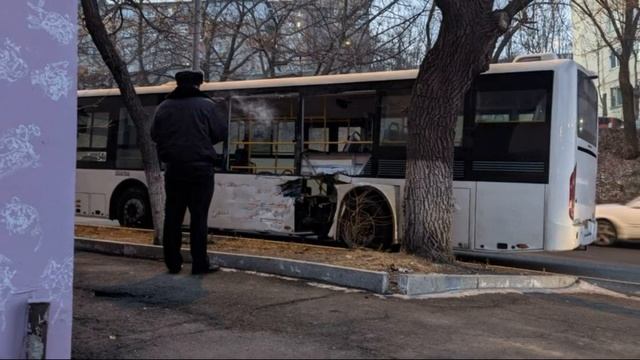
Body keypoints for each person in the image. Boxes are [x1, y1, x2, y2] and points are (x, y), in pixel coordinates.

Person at [151, 70, 228, 275]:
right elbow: (220, 132)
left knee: (173, 215)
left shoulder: (163, 107)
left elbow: (154, 134)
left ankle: (173, 263)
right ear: (198, 84)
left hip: (174, 169)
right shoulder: (207, 106)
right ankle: (199, 263)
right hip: (201, 169)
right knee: (199, 217)